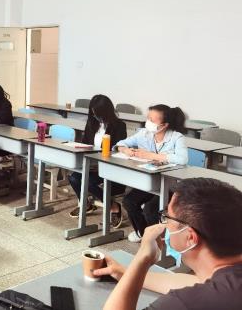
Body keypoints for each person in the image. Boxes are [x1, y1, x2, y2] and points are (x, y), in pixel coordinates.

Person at [96, 178, 242, 310]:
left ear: (190, 237)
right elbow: (196, 283)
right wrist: (125, 273)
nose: (165, 223)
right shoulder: (228, 282)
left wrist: (142, 258)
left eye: (167, 217)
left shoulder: (185, 303)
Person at [116, 105, 188, 243]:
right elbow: (121, 143)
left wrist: (151, 155)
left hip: (169, 186)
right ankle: (143, 234)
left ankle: (156, 241)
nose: (148, 122)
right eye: (148, 118)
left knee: (150, 209)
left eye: (152, 120)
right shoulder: (144, 133)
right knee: (129, 201)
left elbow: (182, 159)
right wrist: (125, 150)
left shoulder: (176, 137)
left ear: (164, 125)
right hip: (150, 182)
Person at [67, 94, 127, 228]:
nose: (95, 117)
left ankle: (113, 206)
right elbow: (85, 144)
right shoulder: (91, 123)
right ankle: (86, 204)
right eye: (93, 113)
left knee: (89, 182)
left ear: (106, 112)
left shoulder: (119, 126)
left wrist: (99, 162)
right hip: (91, 165)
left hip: (109, 167)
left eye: (98, 114)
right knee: (73, 177)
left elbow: (117, 150)